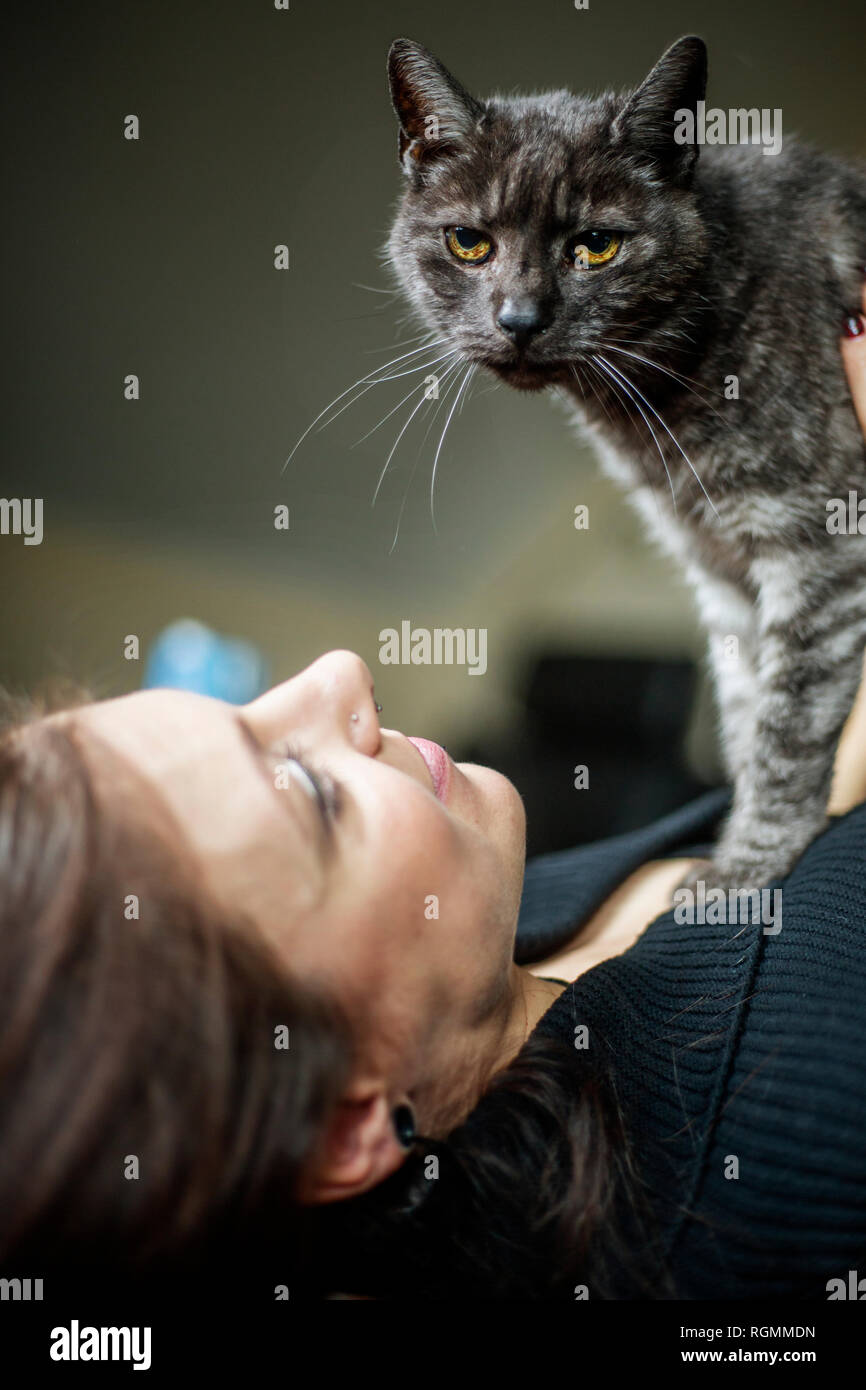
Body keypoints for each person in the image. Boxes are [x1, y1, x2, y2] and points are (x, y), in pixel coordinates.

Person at [2, 304, 866, 1301]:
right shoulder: (794, 1139)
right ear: (340, 1124)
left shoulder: (495, 941)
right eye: (315, 797)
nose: (340, 676)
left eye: (242, 712)